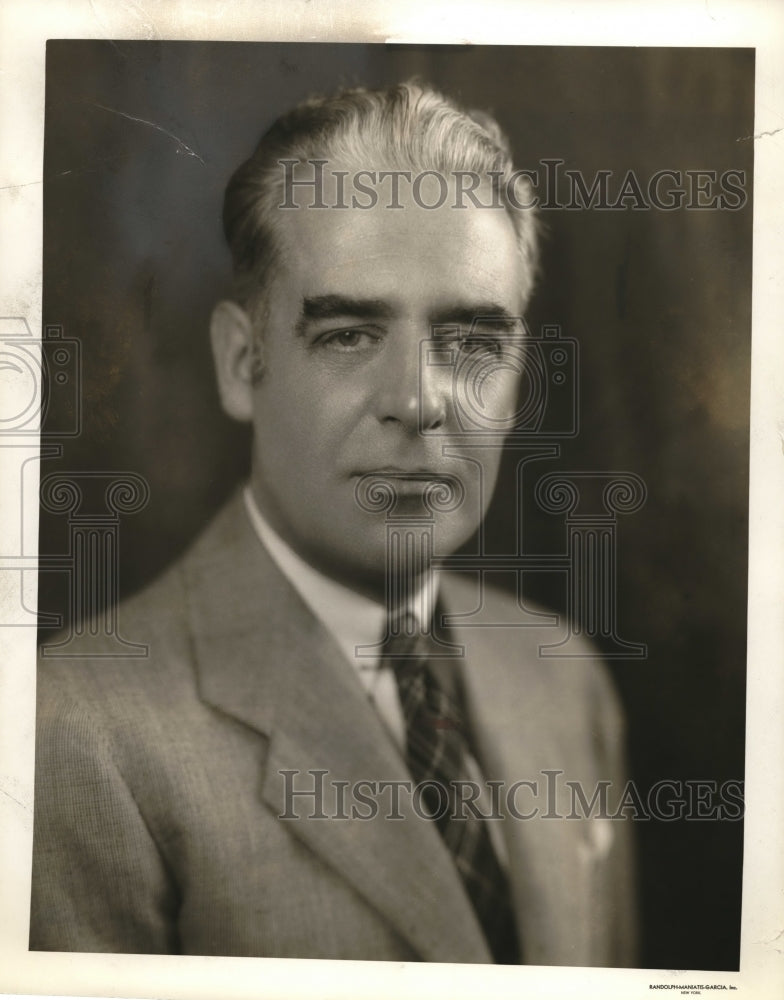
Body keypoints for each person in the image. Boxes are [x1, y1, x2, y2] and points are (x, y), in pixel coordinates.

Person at [30, 81, 636, 965]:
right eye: (349, 334)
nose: (419, 403)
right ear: (243, 363)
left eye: (473, 342)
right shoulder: (73, 738)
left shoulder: (564, 679)